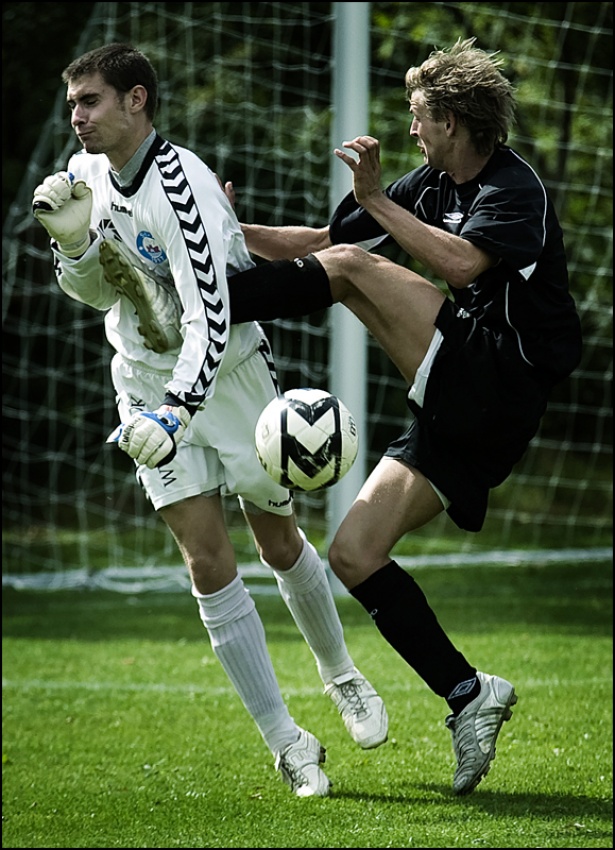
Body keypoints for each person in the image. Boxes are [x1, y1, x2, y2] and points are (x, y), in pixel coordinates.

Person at [219, 37, 583, 795]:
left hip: (500, 379)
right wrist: (227, 232)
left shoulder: (514, 187)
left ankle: (207, 312)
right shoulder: (430, 182)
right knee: (354, 552)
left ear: (451, 120)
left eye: (419, 115)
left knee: (355, 273)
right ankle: (468, 693)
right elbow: (325, 247)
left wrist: (378, 199)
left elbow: (461, 264)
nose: (411, 128)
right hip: (457, 408)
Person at [31, 42, 389, 799]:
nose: (77, 117)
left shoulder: (181, 185)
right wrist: (74, 247)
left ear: (136, 100)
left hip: (226, 379)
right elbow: (99, 296)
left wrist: (178, 409)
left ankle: (341, 675)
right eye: (72, 105)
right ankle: (287, 742)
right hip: (141, 379)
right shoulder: (85, 173)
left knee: (277, 539)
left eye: (90, 101)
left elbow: (210, 318)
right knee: (205, 561)